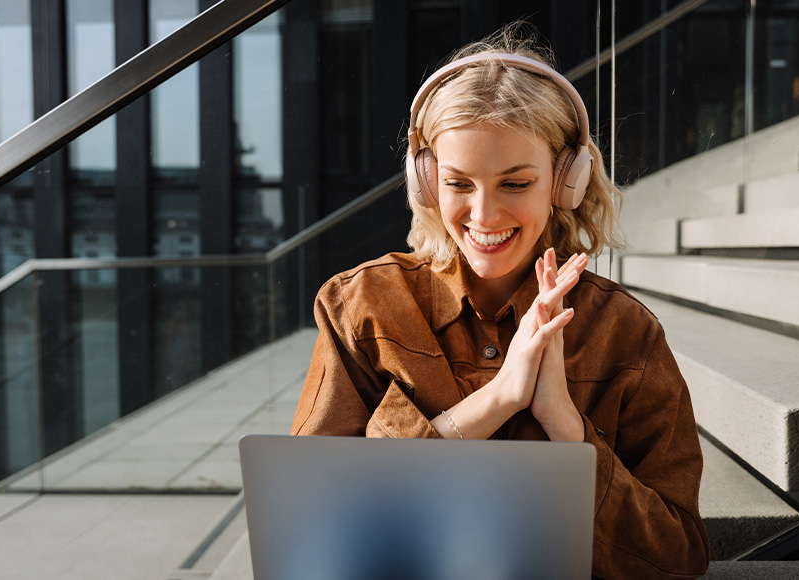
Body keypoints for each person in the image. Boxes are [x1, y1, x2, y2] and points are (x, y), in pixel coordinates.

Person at [291, 24, 709, 579]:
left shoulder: (626, 334)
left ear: (566, 183)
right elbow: (313, 529)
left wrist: (566, 425)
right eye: (459, 184)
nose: (483, 216)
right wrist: (497, 401)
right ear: (426, 182)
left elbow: (678, 557)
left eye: (515, 184)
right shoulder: (361, 308)